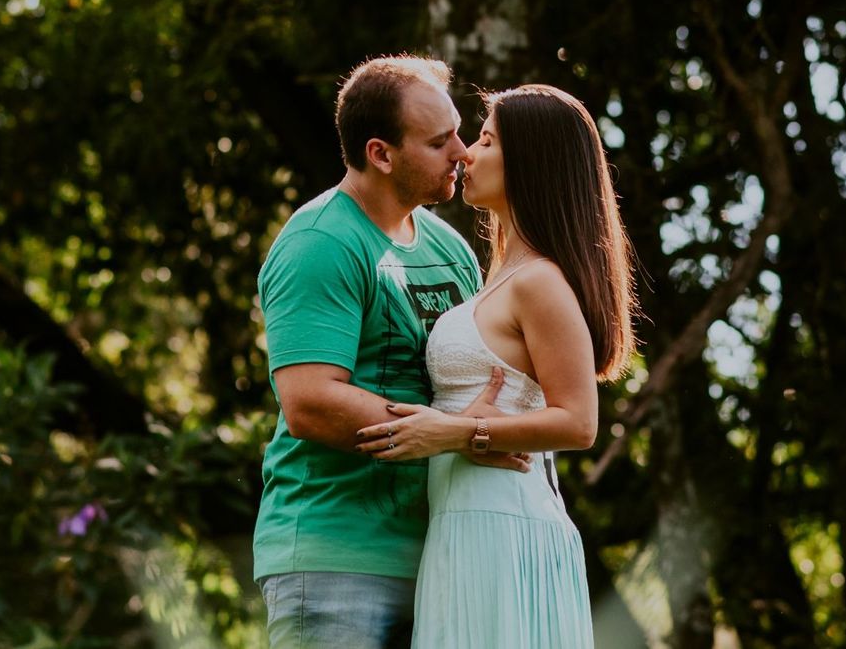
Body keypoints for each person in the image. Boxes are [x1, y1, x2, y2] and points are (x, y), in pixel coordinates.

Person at [253, 55, 530, 649]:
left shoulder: (449, 246)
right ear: (381, 153)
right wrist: (456, 433)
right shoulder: (320, 242)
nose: (462, 151)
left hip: (440, 551)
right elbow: (309, 402)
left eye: (459, 132)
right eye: (438, 142)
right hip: (336, 557)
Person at [354, 83, 638, 649]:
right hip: (464, 525)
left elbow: (579, 422)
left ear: (528, 163)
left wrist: (458, 433)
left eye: (484, 140)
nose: (465, 154)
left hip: (503, 528)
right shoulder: (501, 276)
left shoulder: (540, 283)